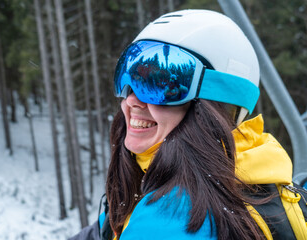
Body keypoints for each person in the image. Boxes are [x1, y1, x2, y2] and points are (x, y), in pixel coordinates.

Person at [70, 9, 301, 240]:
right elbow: (104, 231)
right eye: (130, 80)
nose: (131, 100)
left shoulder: (173, 221)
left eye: (159, 86)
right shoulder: (261, 176)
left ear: (213, 104)